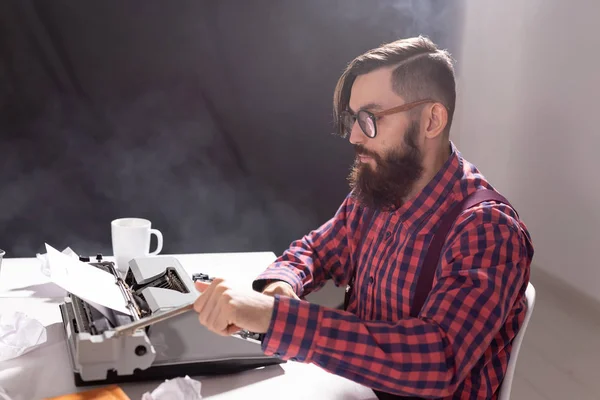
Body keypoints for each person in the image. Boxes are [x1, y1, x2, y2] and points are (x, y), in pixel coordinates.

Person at [193, 36, 534, 399]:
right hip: (352, 388)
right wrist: (281, 289)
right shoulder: (380, 190)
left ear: (432, 120)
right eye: (354, 119)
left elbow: (438, 360)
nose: (355, 135)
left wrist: (274, 318)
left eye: (371, 119)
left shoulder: (488, 230)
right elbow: (314, 250)